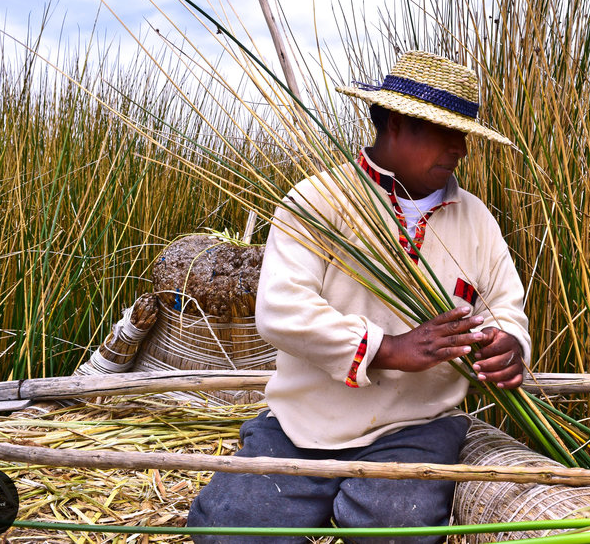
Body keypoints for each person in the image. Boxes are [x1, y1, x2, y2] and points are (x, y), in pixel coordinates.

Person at [187, 50, 531, 544]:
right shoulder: (319, 202)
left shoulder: (476, 219)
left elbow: (504, 303)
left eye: (464, 133)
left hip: (417, 424)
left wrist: (509, 346)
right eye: (445, 130)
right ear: (394, 123)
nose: (460, 147)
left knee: (395, 532)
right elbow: (282, 310)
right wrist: (390, 349)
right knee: (228, 533)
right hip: (302, 423)